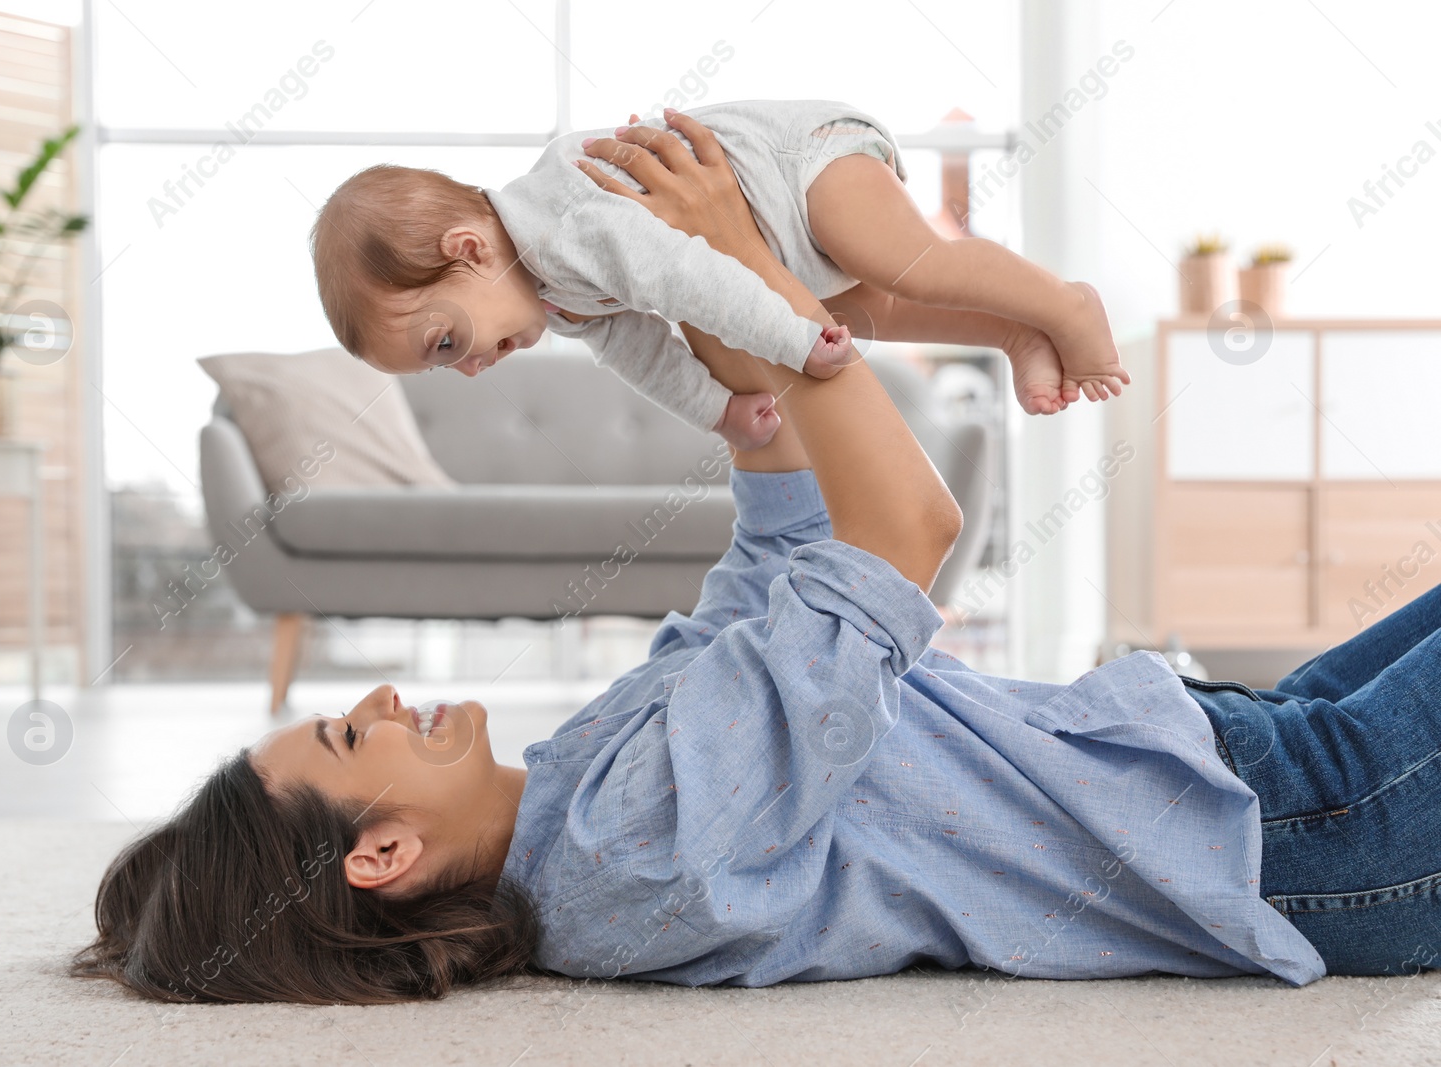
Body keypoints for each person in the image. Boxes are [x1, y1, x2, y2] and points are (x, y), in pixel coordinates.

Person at [75, 117, 1439, 1006]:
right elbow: (903, 536)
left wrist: (738, 339)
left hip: (1233, 746)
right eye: (343, 728)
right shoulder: (634, 852)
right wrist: (746, 272)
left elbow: (791, 555)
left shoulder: (572, 781)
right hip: (1302, 830)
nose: (374, 700)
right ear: (381, 850)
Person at [309, 100, 1128, 451]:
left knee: (908, 263)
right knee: (876, 308)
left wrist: (796, 339)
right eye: (448, 366)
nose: (474, 365)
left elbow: (694, 279)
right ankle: (1016, 330)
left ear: (470, 249)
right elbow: (641, 351)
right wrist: (720, 409)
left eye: (447, 340)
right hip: (785, 232)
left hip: (805, 165)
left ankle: (1064, 304)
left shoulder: (569, 225)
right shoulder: (558, 294)